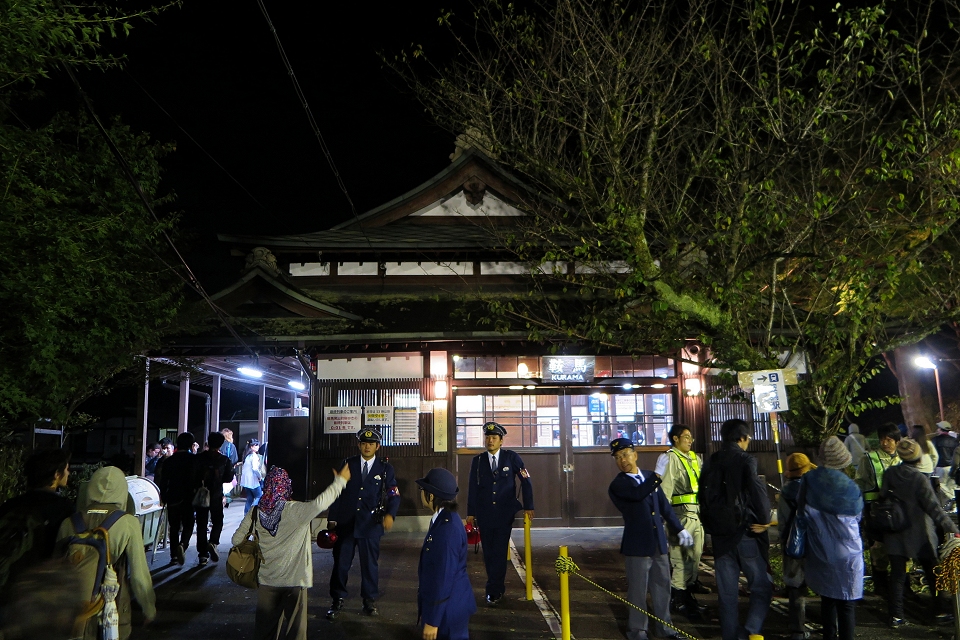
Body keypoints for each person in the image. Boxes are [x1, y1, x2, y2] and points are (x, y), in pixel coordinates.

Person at [232, 464, 348, 640]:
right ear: (286, 486)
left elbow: (236, 540)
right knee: (296, 631)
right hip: (294, 581)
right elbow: (320, 503)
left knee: (265, 631)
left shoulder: (256, 511)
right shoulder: (296, 511)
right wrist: (340, 482)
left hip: (267, 580)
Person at [57, 466, 156, 640]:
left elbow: (56, 566)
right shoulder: (127, 523)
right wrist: (149, 608)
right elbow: (139, 573)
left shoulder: (69, 522)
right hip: (113, 606)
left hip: (74, 608)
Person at [609, 437, 692, 640]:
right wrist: (656, 476)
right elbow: (637, 494)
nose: (622, 460)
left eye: (625, 454)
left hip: (658, 542)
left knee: (663, 587)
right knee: (638, 591)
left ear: (635, 455)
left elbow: (664, 506)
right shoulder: (618, 484)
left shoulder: (648, 477)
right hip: (637, 544)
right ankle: (638, 631)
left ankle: (665, 629)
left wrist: (679, 529)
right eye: (618, 457)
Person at [697, 418, 772, 640]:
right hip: (745, 532)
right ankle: (749, 631)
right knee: (761, 587)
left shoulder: (711, 460)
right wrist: (765, 519)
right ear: (742, 438)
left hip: (720, 534)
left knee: (727, 595)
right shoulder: (745, 459)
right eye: (748, 438)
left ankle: (730, 636)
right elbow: (757, 491)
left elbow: (702, 495)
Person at [881, 438, 959, 627]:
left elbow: (883, 496)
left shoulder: (890, 473)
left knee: (898, 576)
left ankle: (896, 616)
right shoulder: (919, 479)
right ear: (918, 458)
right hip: (919, 533)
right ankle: (940, 611)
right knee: (933, 573)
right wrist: (953, 529)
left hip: (894, 530)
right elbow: (934, 508)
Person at [327, 428, 401, 618]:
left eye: (371, 444)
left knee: (370, 565)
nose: (367, 447)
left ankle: (369, 600)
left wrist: (390, 515)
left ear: (378, 446)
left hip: (371, 524)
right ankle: (337, 599)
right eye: (364, 443)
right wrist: (332, 518)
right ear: (359, 445)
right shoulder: (348, 464)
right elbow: (337, 491)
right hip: (346, 524)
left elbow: (393, 494)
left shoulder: (385, 468)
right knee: (341, 564)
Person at [466, 421, 535, 605]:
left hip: (504, 514)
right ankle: (494, 587)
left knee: (499, 551)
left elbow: (526, 480)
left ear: (501, 441)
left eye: (494, 438)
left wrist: (528, 505)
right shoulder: (478, 461)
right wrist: (471, 512)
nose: (490, 441)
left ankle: (495, 590)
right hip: (485, 514)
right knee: (488, 553)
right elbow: (472, 487)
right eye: (488, 437)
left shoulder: (511, 458)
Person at [803, 437, 864, 640]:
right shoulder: (851, 488)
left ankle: (829, 636)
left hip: (820, 547)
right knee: (846, 603)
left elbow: (801, 511)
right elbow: (858, 518)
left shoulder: (810, 481)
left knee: (827, 598)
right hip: (849, 551)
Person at [416, 468, 477, 640]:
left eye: (423, 490)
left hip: (448, 611)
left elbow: (443, 575)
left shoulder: (446, 529)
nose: (421, 493)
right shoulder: (444, 519)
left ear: (431, 496)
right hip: (450, 605)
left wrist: (433, 620)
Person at [655, 424, 708, 618]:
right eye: (686, 436)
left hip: (697, 513)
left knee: (695, 555)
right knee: (680, 558)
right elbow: (665, 492)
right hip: (680, 514)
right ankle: (678, 600)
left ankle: (687, 594)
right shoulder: (671, 458)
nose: (690, 440)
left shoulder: (694, 458)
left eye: (691, 437)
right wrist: (668, 520)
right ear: (675, 439)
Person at [0, 449, 74, 585]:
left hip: (8, 580)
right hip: (40, 583)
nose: (69, 473)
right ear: (57, 474)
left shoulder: (9, 505)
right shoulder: (64, 508)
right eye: (67, 469)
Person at [855, 422, 900, 588]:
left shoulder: (903, 458)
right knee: (878, 549)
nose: (884, 443)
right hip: (876, 512)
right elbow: (859, 483)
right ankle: (881, 586)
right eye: (882, 439)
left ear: (897, 441)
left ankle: (902, 587)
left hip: (898, 512)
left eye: (889, 439)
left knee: (899, 551)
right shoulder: (869, 459)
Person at [778, 453, 816, 640]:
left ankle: (797, 629)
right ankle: (831, 627)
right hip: (814, 542)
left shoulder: (786, 490)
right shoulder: (812, 488)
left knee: (795, 585)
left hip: (792, 543)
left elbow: (784, 522)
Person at [154, 431, 200, 565]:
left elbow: (163, 480)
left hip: (173, 496)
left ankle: (174, 555)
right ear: (191, 445)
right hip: (189, 497)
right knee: (188, 524)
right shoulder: (194, 460)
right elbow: (198, 479)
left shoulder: (169, 461)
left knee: (174, 526)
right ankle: (183, 544)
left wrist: (163, 495)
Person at [193, 432, 234, 566]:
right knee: (217, 520)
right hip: (216, 494)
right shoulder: (224, 460)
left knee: (201, 523)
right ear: (221, 444)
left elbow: (193, 475)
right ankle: (213, 542)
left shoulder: (198, 458)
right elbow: (228, 478)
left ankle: (202, 555)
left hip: (201, 494)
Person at [240, 438, 266, 514]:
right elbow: (255, 468)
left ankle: (246, 514)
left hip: (246, 481)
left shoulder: (247, 456)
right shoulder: (254, 456)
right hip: (253, 481)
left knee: (249, 499)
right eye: (256, 445)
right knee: (259, 496)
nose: (258, 447)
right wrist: (259, 476)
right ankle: (252, 511)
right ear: (251, 446)